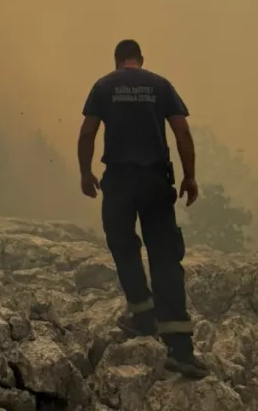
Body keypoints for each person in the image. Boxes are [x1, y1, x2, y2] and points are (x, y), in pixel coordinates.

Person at [77, 39, 208, 379]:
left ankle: (142, 313)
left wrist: (85, 172)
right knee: (164, 257)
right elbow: (182, 131)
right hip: (155, 181)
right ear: (140, 60)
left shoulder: (104, 86)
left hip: (119, 182)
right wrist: (190, 177)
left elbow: (88, 132)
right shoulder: (160, 85)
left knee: (123, 247)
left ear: (117, 60)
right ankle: (180, 349)